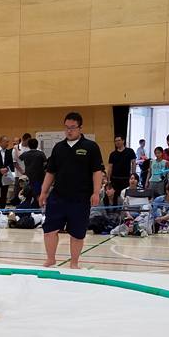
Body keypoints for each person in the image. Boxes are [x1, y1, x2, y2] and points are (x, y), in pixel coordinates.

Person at [39, 112, 104, 269]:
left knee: (77, 233)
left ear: (80, 128)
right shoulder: (58, 148)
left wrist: (96, 192)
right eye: (67, 127)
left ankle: (74, 262)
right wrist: (43, 192)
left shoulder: (91, 147)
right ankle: (50, 259)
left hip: (81, 198)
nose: (69, 131)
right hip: (58, 196)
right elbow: (50, 172)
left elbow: (97, 171)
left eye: (73, 127)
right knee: (49, 230)